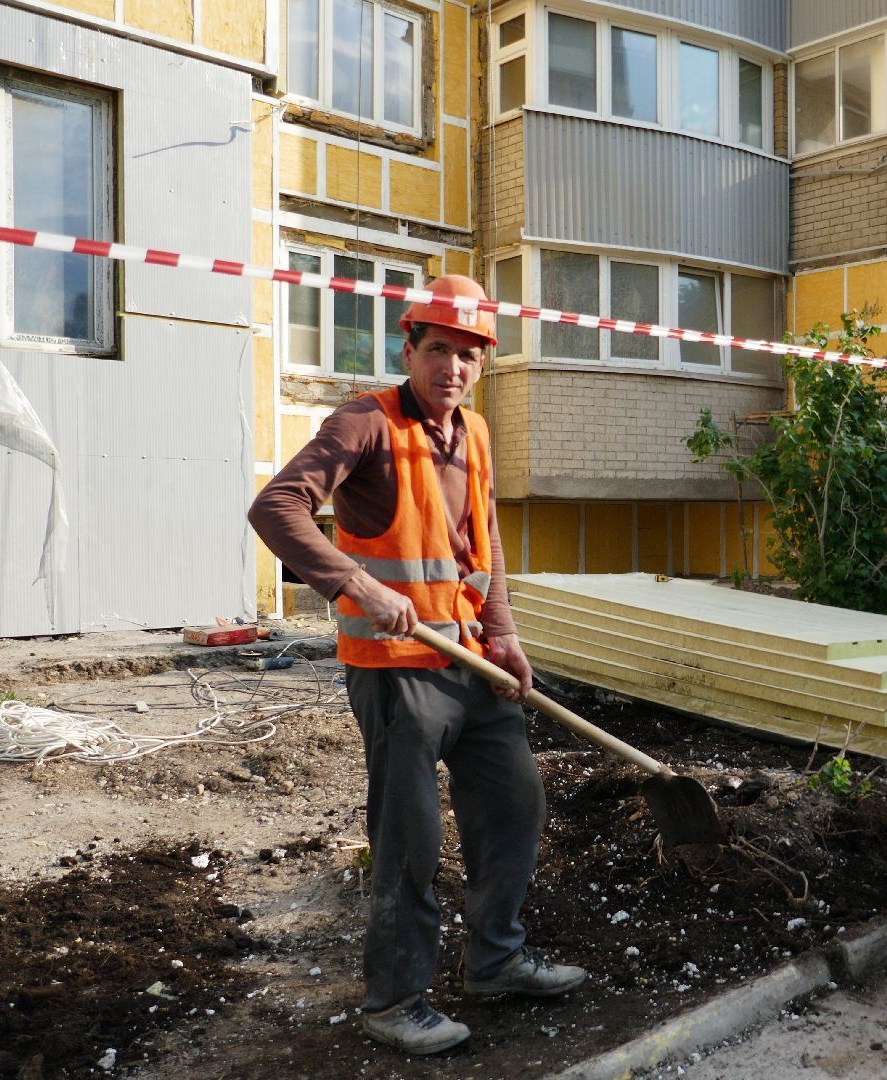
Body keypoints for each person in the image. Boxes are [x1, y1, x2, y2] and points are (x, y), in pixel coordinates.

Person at [248, 275, 585, 1055]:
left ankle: (495, 961)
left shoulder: (476, 432)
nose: (455, 368)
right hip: (396, 667)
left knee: (513, 805)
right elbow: (277, 507)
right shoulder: (367, 422)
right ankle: (395, 1000)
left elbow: (484, 540)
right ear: (410, 348)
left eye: (470, 356)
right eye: (441, 350)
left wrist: (504, 634)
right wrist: (354, 582)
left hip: (468, 658)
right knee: (410, 838)